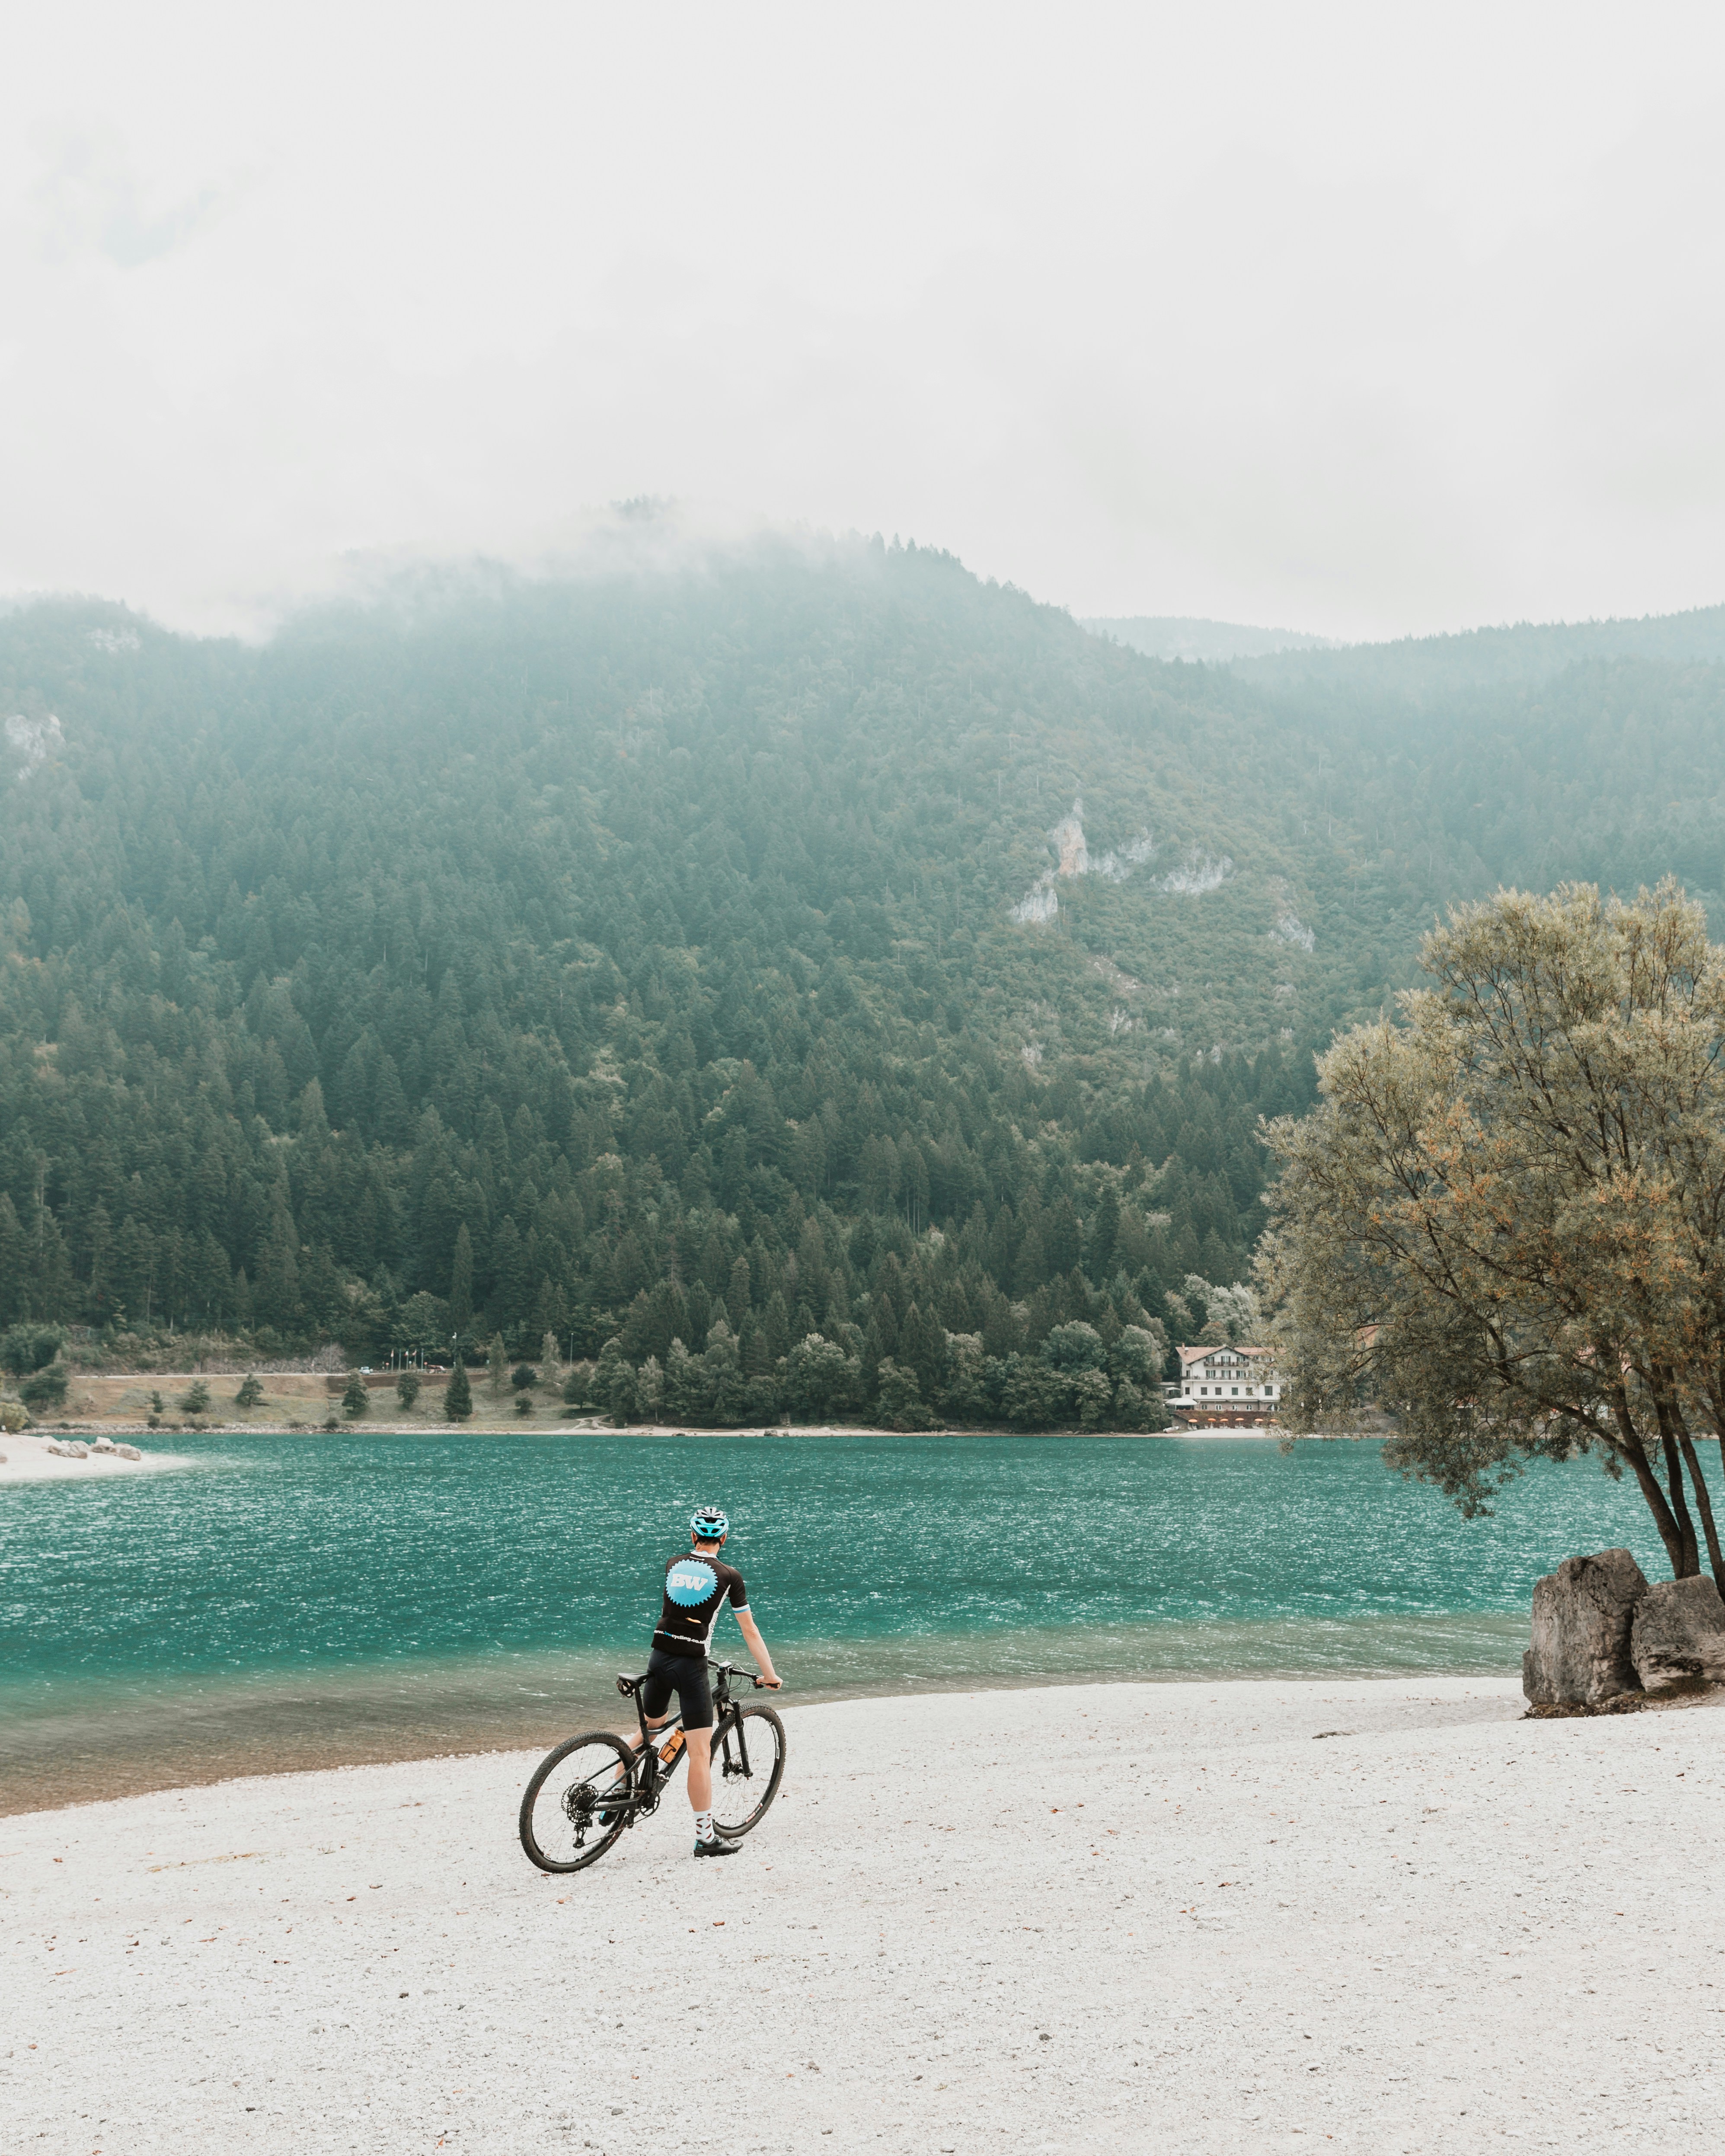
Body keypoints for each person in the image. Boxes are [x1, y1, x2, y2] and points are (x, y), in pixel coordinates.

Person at [637, 1504, 781, 1858]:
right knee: (700, 1754)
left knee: (648, 1732)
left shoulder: (673, 1564)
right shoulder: (730, 1575)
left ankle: (615, 1791)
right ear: (725, 1538)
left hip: (658, 1657)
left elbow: (679, 1611)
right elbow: (749, 1630)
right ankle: (705, 1837)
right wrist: (770, 1673)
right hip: (690, 1666)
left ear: (692, 1536)